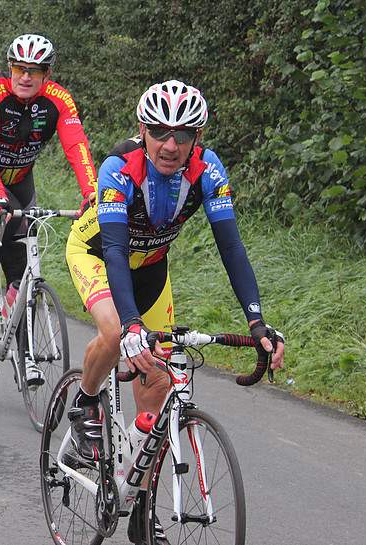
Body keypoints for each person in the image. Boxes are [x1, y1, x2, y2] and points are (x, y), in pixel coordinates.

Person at [64, 79, 285, 545]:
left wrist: (257, 321)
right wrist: (129, 326)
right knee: (113, 333)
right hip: (100, 255)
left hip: (152, 267)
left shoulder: (208, 171)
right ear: (142, 130)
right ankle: (85, 401)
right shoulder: (119, 169)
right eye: (160, 132)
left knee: (158, 386)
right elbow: (118, 251)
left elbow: (231, 247)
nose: (170, 145)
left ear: (196, 138)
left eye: (183, 135)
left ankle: (141, 508)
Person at [0, 33, 96, 385]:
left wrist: (92, 193)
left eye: (35, 70)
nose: (26, 76)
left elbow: (76, 146)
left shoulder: (58, 100)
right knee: (8, 217)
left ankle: (26, 353)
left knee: (22, 262)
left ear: (48, 74)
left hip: (20, 178)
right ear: (9, 68)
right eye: (19, 68)